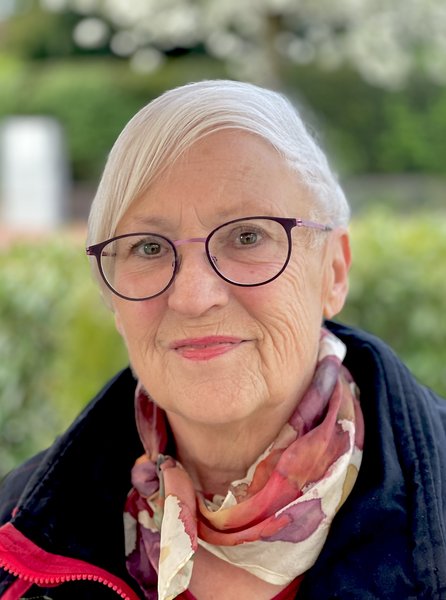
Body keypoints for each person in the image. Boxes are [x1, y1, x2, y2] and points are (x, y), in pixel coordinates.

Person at [0, 80, 445, 600]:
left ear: (334, 272)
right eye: (148, 247)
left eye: (248, 236)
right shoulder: (15, 534)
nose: (194, 297)